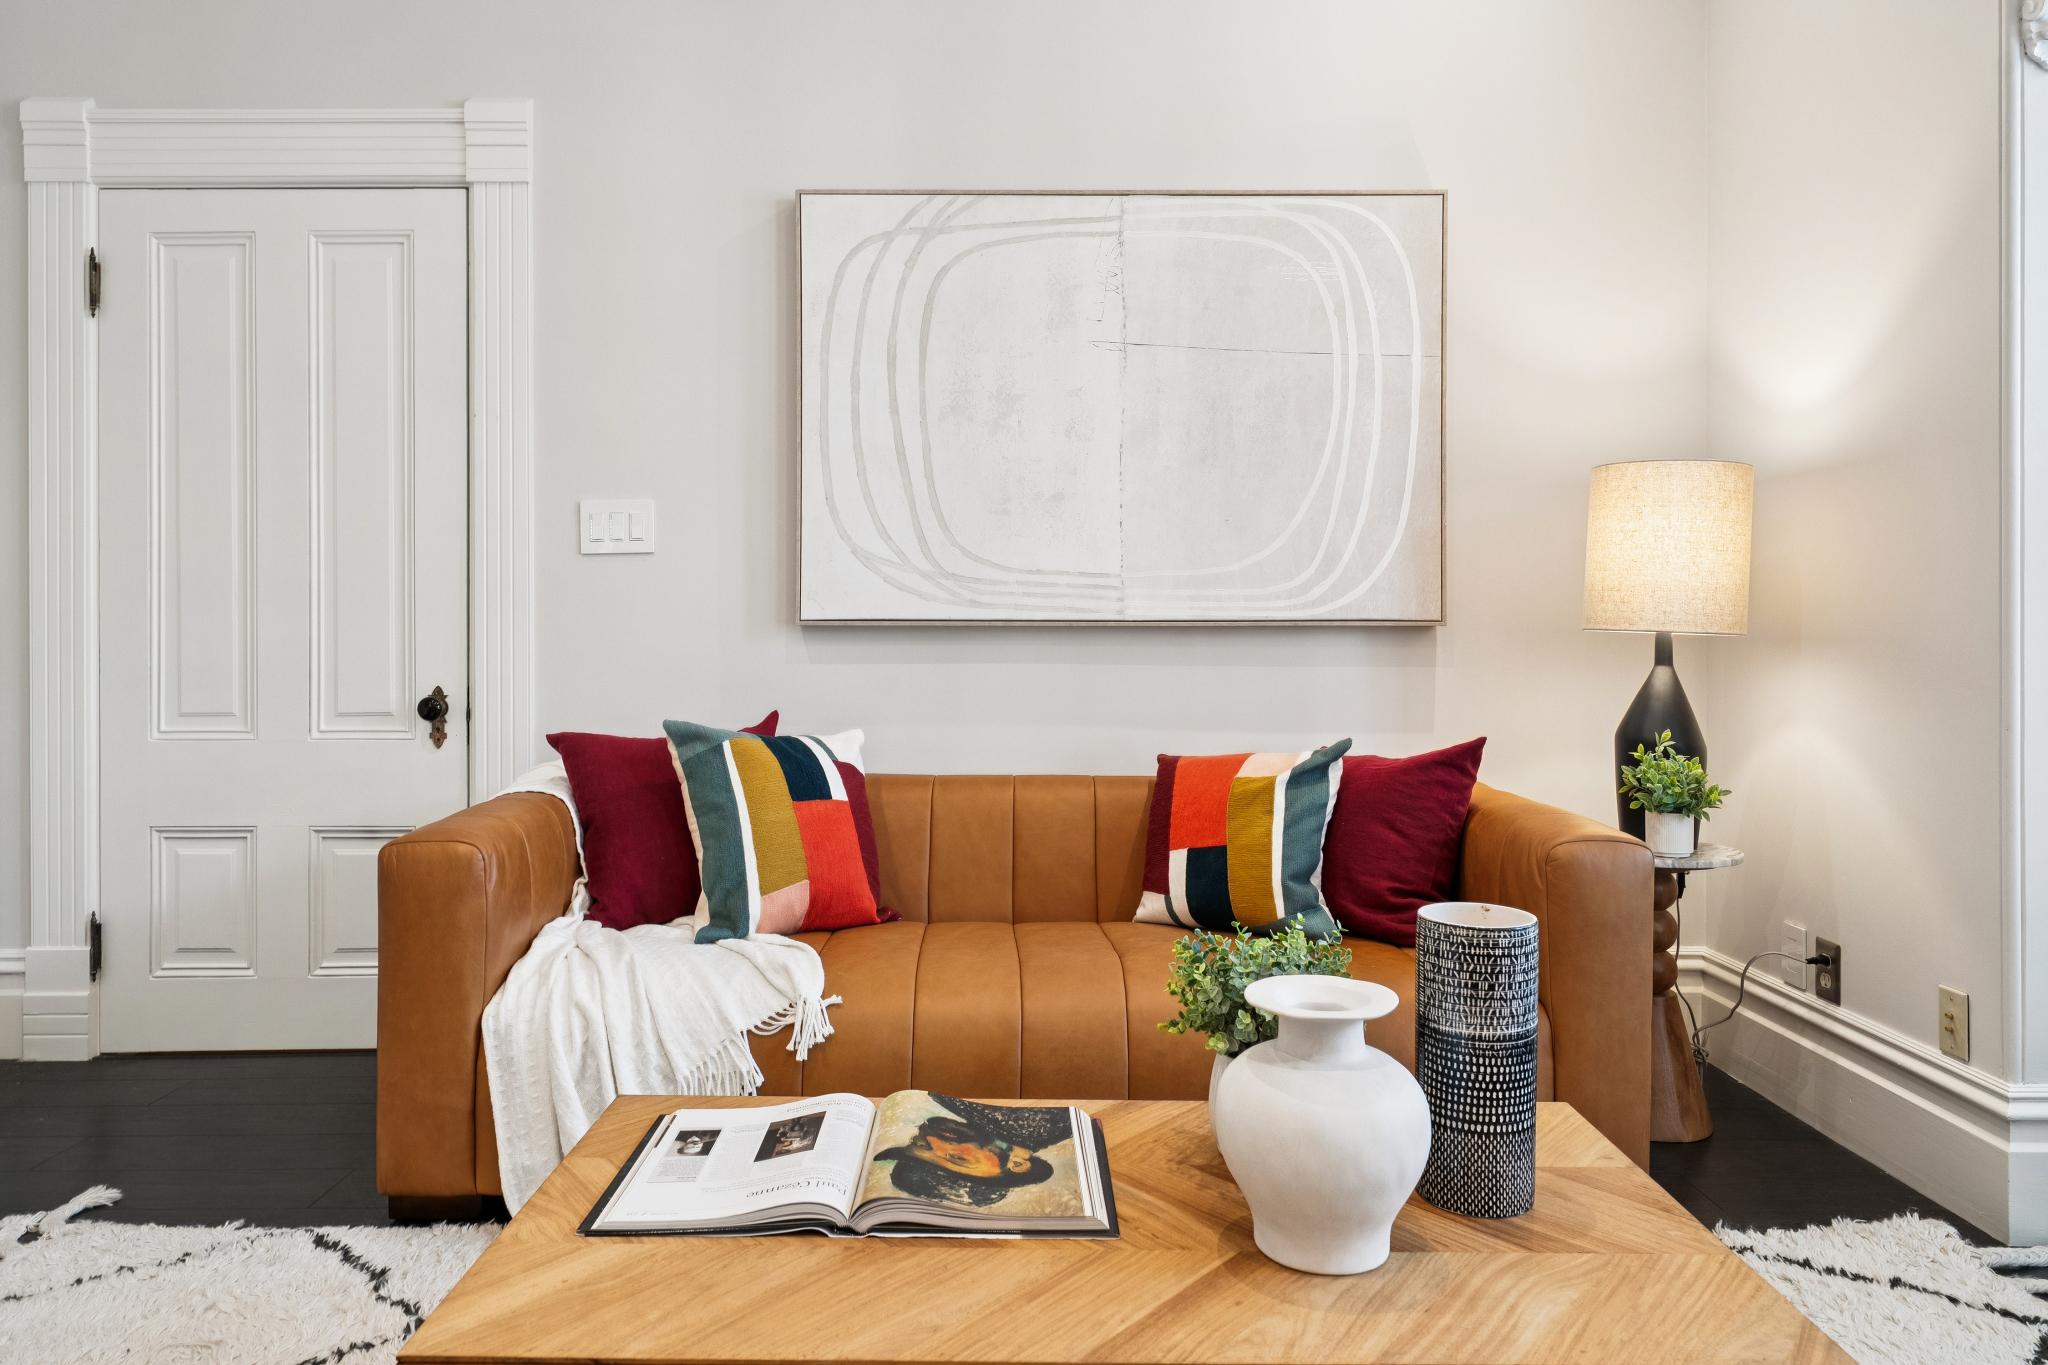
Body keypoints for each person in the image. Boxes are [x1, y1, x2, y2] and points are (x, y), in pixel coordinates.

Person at [871, 1095, 1069, 1207]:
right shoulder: (1046, 1124)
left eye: (921, 1146)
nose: (932, 1140)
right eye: (957, 1158)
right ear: (1017, 1164)